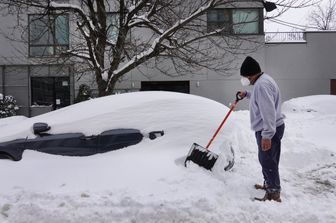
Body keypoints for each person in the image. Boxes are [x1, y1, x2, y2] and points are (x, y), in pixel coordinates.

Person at [238, 56, 285, 202]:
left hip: (269, 129)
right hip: (272, 127)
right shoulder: (264, 81)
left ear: (250, 75)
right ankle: (269, 184)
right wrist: (247, 94)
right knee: (269, 159)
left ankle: (273, 193)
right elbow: (261, 98)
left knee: (267, 160)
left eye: (245, 77)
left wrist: (267, 135)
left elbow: (268, 111)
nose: (244, 80)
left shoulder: (262, 85)